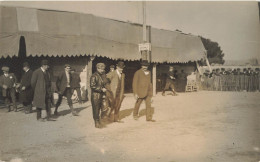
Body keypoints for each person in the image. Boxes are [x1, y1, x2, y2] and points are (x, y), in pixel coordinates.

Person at [90, 63, 107, 128]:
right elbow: (92, 86)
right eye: (101, 69)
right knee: (96, 110)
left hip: (101, 95)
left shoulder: (101, 75)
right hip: (95, 96)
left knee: (101, 108)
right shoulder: (94, 76)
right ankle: (96, 122)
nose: (103, 70)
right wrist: (101, 89)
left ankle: (99, 121)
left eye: (103, 69)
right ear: (98, 68)